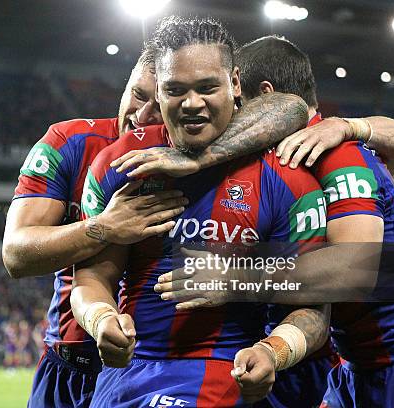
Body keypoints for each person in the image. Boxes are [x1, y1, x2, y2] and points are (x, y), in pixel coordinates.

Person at [3, 46, 310, 406]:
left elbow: (290, 107)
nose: (144, 114)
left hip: (151, 362)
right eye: (137, 95)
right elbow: (15, 255)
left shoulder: (207, 154)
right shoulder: (72, 144)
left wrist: (202, 158)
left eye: (159, 99)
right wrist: (105, 227)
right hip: (71, 358)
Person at [72, 16, 330, 407]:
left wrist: (273, 350)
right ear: (158, 91)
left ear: (236, 84)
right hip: (128, 376)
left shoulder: (287, 178)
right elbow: (91, 279)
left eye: (208, 87)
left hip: (230, 372)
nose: (192, 104)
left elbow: (315, 307)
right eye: (175, 90)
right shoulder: (119, 165)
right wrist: (101, 320)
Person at [153, 36, 394, 408]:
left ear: (267, 96)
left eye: (242, 105)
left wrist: (233, 278)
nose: (237, 122)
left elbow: (358, 268)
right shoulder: (294, 160)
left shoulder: (337, 156)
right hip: (354, 365)